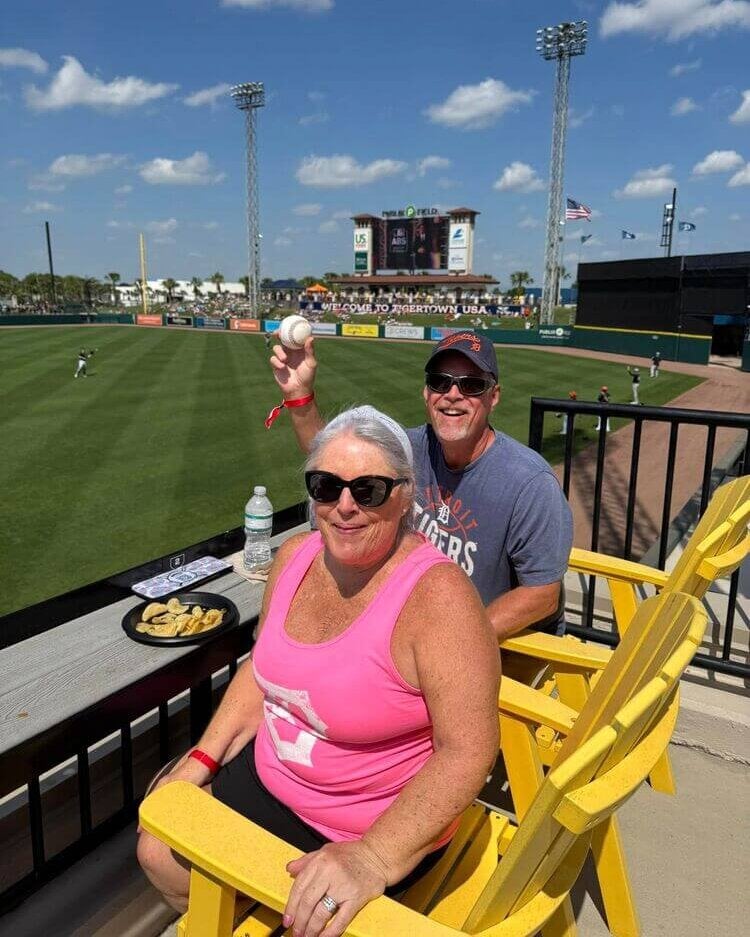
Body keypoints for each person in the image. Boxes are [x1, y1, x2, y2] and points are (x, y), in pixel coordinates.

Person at [137, 406, 500, 937]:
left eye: (369, 489)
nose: (345, 507)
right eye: (326, 486)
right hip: (269, 781)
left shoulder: (439, 599)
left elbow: (469, 751)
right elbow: (263, 677)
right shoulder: (294, 556)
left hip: (365, 827)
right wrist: (200, 759)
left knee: (305, 915)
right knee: (157, 844)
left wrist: (373, 857)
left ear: (404, 495)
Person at [268, 331, 573, 645]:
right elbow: (334, 461)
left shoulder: (529, 482)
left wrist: (450, 641)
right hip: (414, 626)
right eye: (440, 381)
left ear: (493, 396)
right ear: (427, 394)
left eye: (471, 384)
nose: (453, 394)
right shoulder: (410, 448)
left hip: (493, 647)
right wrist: (299, 395)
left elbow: (542, 594)